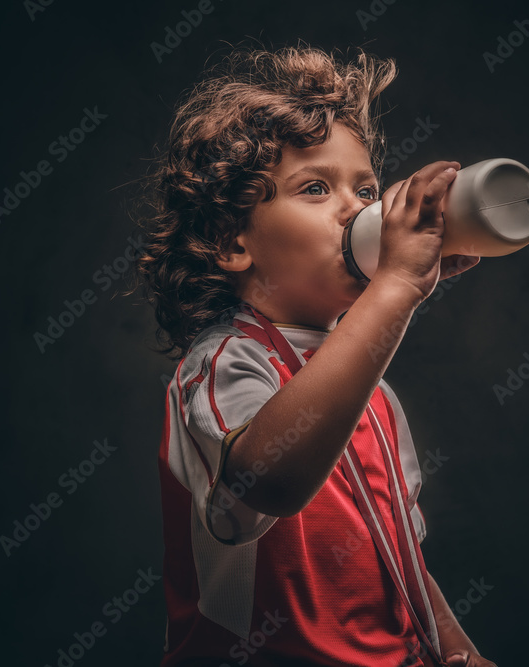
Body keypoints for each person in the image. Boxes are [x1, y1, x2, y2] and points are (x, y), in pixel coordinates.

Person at [134, 42, 495, 667]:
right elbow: (268, 481)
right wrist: (398, 289)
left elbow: (398, 549)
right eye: (315, 188)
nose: (356, 208)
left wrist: (454, 648)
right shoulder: (224, 361)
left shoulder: (374, 393)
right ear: (232, 242)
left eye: (366, 188)